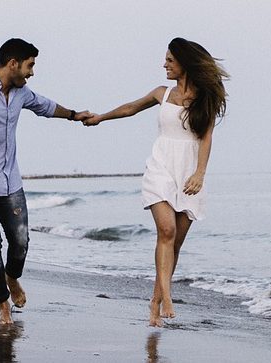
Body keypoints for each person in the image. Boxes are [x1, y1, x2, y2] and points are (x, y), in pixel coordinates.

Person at [0, 38, 92, 326]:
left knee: (20, 242)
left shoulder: (21, 92)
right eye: (30, 65)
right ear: (13, 64)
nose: (32, 72)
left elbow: (45, 106)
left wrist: (74, 115)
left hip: (10, 182)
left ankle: (12, 277)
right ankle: (2, 305)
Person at [82, 37, 229, 327]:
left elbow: (207, 138)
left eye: (170, 60)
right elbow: (130, 108)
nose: (164, 64)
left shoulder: (205, 99)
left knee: (174, 245)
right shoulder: (162, 93)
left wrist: (199, 174)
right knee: (166, 230)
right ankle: (168, 296)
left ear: (184, 64)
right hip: (160, 166)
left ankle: (155, 302)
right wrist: (100, 118)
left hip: (188, 172)